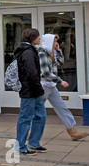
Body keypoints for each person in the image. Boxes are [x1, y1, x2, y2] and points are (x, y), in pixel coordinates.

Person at [38, 34, 89, 141]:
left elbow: (60, 62)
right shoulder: (42, 53)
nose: (56, 43)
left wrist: (58, 50)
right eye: (54, 41)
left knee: (62, 108)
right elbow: (45, 72)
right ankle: (29, 132)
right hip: (43, 86)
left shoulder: (51, 52)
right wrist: (60, 81)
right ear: (48, 41)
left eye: (57, 41)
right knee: (38, 110)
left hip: (51, 86)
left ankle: (73, 132)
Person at [14, 28, 46, 156]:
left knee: (40, 115)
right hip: (29, 91)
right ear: (32, 38)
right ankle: (21, 146)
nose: (40, 39)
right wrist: (40, 90)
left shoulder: (29, 50)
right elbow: (31, 73)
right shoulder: (27, 52)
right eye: (38, 37)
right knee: (25, 118)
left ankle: (34, 143)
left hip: (33, 91)